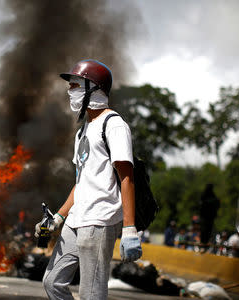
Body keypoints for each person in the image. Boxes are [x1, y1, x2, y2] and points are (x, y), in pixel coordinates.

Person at [36, 59, 141, 300]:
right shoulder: (83, 130)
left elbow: (127, 178)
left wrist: (129, 228)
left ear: (93, 88)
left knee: (91, 293)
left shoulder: (114, 125)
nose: (69, 91)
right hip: (76, 218)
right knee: (52, 282)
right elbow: (81, 181)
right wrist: (59, 217)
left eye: (74, 85)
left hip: (100, 218)